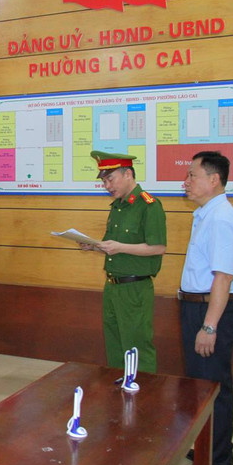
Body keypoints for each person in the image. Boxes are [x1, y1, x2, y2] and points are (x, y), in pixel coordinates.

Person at [175, 151, 233, 465]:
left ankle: (215, 463)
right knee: (207, 386)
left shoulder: (220, 219)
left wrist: (209, 326)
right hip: (199, 307)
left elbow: (223, 277)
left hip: (210, 311)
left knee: (211, 389)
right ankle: (213, 449)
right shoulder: (207, 214)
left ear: (214, 179)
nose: (186, 181)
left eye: (192, 175)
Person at [81, 151, 166, 373]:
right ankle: (119, 388)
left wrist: (119, 247)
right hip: (112, 287)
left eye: (110, 179)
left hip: (135, 289)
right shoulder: (117, 206)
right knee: (115, 345)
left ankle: (144, 390)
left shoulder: (149, 205)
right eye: (104, 182)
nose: (107, 186)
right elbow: (115, 247)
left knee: (137, 347)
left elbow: (158, 247)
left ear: (128, 174)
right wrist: (95, 246)